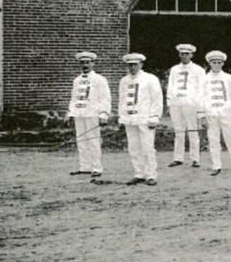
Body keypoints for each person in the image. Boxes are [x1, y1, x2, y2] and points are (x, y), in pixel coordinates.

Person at [117, 53, 163, 185]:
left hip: (145, 118)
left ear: (141, 64)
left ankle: (151, 175)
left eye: (135, 65)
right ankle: (139, 173)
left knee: (147, 147)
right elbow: (122, 100)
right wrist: (122, 117)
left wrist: (155, 116)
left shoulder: (150, 79)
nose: (132, 68)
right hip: (130, 119)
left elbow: (157, 99)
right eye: (130, 65)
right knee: (134, 147)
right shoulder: (124, 81)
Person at [66, 51, 111, 180]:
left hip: (92, 114)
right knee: (81, 140)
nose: (85, 65)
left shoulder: (99, 79)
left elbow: (105, 98)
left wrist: (104, 114)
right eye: (82, 63)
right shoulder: (77, 80)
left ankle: (97, 167)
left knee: (93, 140)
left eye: (88, 62)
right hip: (79, 114)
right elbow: (74, 98)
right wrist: (70, 113)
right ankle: (84, 167)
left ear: (93, 63)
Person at [203, 50, 231, 175]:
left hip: (226, 113)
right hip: (211, 113)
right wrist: (202, 116)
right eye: (214, 62)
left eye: (219, 62)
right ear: (210, 63)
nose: (216, 65)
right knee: (213, 139)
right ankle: (216, 165)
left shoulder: (229, 78)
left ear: (222, 64)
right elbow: (200, 98)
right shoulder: (204, 79)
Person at [166, 44, 206, 168]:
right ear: (179, 55)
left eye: (187, 54)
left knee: (193, 131)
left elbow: (201, 89)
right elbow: (170, 86)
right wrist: (169, 102)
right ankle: (178, 158)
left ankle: (195, 159)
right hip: (176, 103)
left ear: (191, 55)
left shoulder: (198, 70)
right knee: (179, 131)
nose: (184, 56)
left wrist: (200, 108)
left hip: (191, 104)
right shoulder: (174, 69)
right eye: (182, 54)